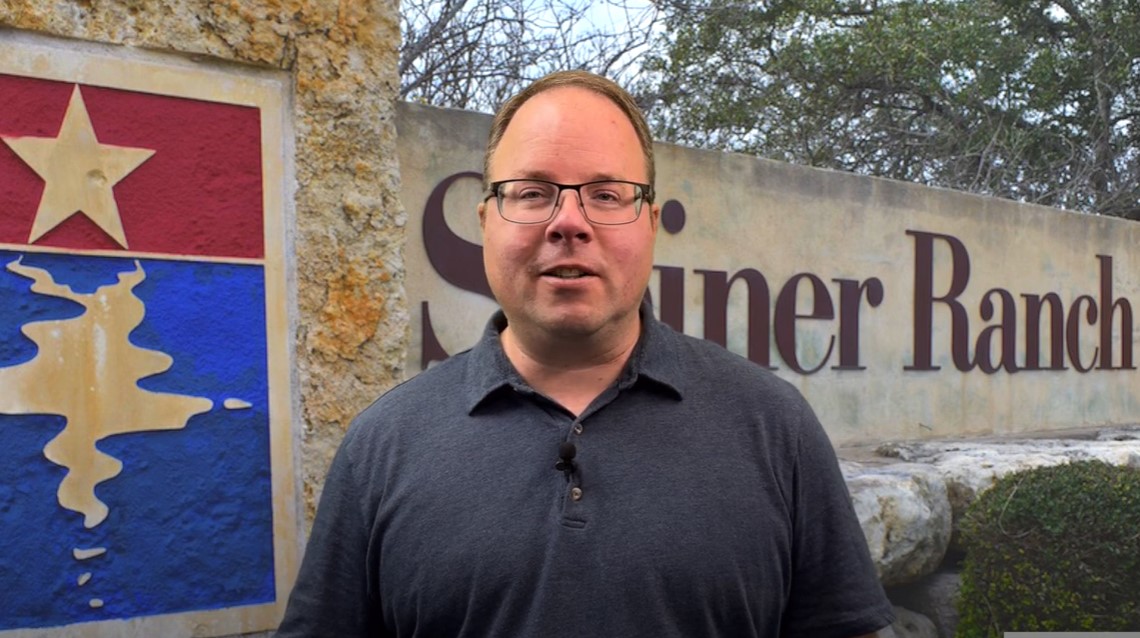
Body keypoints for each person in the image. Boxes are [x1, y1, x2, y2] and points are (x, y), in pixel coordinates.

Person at [276, 71, 895, 638]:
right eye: (532, 192)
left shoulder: (773, 425)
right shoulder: (384, 444)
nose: (568, 222)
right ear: (486, 220)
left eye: (606, 194)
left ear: (650, 223)